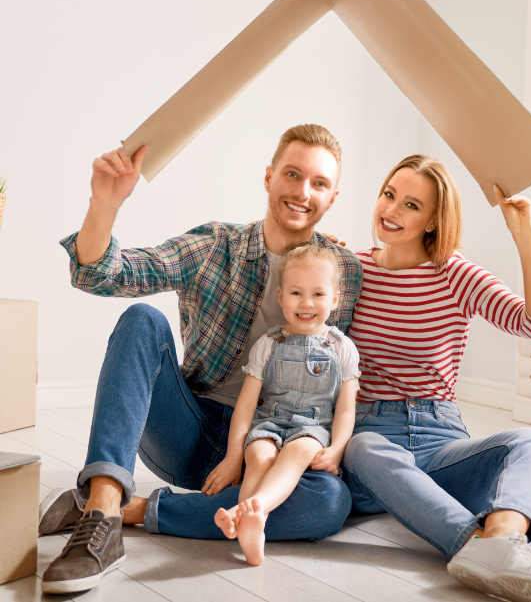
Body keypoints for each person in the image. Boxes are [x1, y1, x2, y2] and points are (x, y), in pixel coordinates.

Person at [38, 124, 362, 595]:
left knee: (330, 503)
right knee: (143, 318)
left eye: (319, 183)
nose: (302, 191)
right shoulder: (216, 245)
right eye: (292, 174)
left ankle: (132, 510)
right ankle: (104, 510)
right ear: (269, 176)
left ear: (332, 198)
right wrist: (103, 205)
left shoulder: (345, 272)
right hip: (193, 430)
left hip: (279, 446)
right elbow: (103, 275)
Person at [341, 155, 531, 602]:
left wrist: (525, 236)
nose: (392, 210)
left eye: (411, 205)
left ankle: (500, 542)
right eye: (389, 194)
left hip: (442, 440)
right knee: (363, 446)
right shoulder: (349, 269)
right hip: (370, 441)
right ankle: (503, 553)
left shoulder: (455, 273)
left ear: (434, 220)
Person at [210, 244, 360, 565]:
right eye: (296, 292)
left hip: (312, 428)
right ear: (280, 297)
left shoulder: (342, 348)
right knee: (260, 456)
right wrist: (234, 456)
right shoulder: (268, 344)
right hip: (269, 423)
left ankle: (248, 512)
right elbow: (246, 407)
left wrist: (337, 449)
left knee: (297, 451)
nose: (306, 303)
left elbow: (346, 409)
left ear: (335, 299)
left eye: (318, 294)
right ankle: (253, 526)